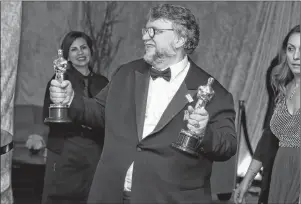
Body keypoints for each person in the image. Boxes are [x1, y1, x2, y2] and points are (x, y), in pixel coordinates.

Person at [49, 4, 237, 204]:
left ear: (180, 39)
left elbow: (228, 145)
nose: (146, 37)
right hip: (111, 194)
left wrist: (203, 133)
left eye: (154, 31)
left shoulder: (212, 91)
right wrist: (70, 99)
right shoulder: (126, 73)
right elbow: (99, 112)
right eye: (146, 30)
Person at [234, 25, 300, 204]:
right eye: (291, 49)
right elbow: (268, 137)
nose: (296, 56)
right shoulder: (284, 89)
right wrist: (247, 179)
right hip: (279, 172)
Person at [42, 31, 109, 204]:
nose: (80, 53)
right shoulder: (58, 81)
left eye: (83, 47)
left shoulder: (104, 82)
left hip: (95, 154)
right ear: (67, 56)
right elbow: (48, 116)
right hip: (66, 153)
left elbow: (109, 118)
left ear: (90, 51)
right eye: (74, 49)